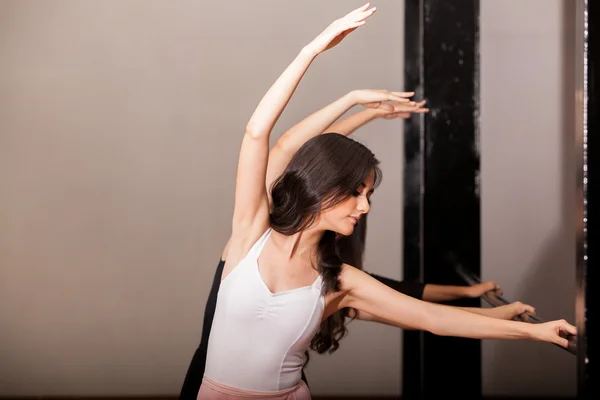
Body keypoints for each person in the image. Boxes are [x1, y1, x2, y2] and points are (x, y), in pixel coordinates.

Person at [197, 4, 576, 399]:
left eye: (368, 195)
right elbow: (260, 134)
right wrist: (313, 51)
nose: (365, 207)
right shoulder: (250, 234)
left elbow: (432, 319)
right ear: (324, 186)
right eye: (356, 193)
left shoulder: (338, 280)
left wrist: (533, 331)